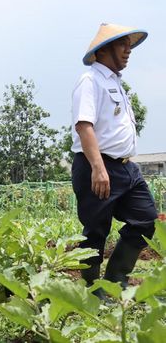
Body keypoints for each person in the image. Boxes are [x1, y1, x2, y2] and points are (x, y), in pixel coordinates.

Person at [71, 23, 156, 296]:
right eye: (123, 45)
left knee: (145, 219)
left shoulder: (115, 83)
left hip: (125, 167)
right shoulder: (90, 80)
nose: (128, 50)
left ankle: (116, 281)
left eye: (130, 45)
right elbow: (84, 126)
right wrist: (97, 168)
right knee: (95, 231)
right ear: (104, 50)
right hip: (98, 165)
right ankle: (93, 291)